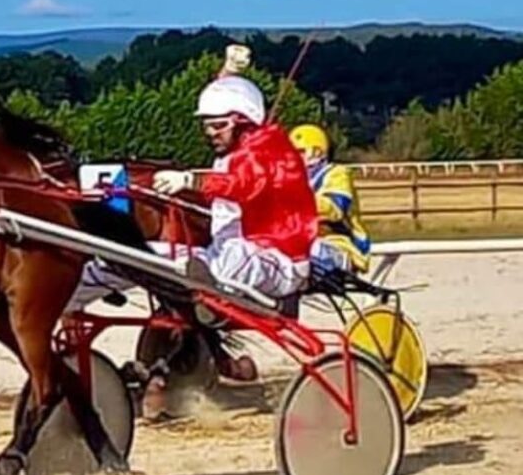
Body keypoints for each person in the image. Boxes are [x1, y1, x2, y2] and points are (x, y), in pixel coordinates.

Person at [64, 68, 319, 383]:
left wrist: (189, 180)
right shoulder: (236, 150)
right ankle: (69, 294)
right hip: (222, 258)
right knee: (132, 253)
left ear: (243, 120)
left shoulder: (271, 150)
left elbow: (244, 184)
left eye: (217, 126)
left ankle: (205, 293)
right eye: (207, 126)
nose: (209, 132)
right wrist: (225, 75)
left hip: (280, 264)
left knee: (229, 258)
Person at [289, 123, 371, 274]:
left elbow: (335, 208)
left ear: (317, 152)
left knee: (311, 251)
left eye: (300, 152)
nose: (292, 157)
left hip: (339, 243)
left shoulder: (337, 174)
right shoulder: (291, 179)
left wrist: (294, 200)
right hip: (302, 242)